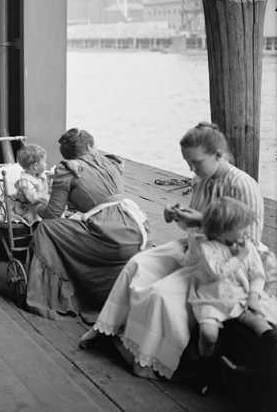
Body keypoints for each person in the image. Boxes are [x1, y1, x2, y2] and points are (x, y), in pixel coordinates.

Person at [79, 122, 268, 380]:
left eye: (196, 162)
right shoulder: (201, 180)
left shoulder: (242, 185)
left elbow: (249, 240)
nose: (192, 169)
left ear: (218, 155)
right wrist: (178, 216)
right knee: (138, 263)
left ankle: (147, 357)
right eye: (188, 162)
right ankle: (107, 329)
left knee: (161, 293)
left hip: (221, 261)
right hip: (195, 246)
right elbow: (196, 222)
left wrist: (201, 222)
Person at [25, 128, 148, 322]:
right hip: (134, 224)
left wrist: (36, 204)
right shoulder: (110, 162)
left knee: (45, 229)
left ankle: (60, 295)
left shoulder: (67, 170)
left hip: (110, 233)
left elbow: (52, 214)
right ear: (90, 146)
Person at [185, 197, 277, 391]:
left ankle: (262, 373)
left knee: (262, 326)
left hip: (240, 298)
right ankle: (206, 370)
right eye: (241, 228)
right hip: (212, 299)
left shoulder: (246, 246)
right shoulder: (206, 248)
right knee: (209, 334)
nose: (245, 232)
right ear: (222, 229)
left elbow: (258, 274)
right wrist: (239, 257)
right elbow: (217, 273)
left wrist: (253, 296)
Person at [11, 144, 50, 226]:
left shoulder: (36, 177)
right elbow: (31, 198)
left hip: (33, 208)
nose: (46, 164)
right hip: (26, 211)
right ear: (35, 166)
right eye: (44, 161)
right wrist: (46, 198)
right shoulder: (25, 181)